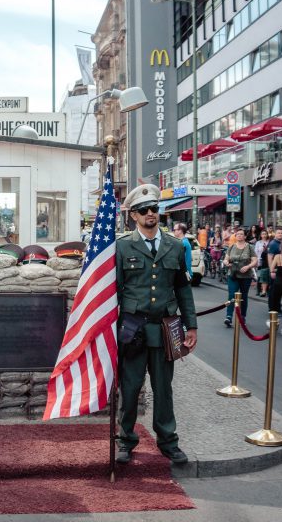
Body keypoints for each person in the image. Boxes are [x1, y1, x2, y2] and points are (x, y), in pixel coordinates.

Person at [113, 185, 197, 466]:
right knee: (131, 387)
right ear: (133, 216)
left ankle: (168, 441)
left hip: (165, 328)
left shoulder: (175, 245)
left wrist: (192, 327)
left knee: (164, 388)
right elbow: (114, 289)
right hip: (133, 330)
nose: (151, 214)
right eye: (144, 210)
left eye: (154, 209)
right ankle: (125, 440)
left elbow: (183, 290)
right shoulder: (123, 246)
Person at [223, 228, 257, 327]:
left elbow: (255, 261)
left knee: (243, 296)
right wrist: (226, 263)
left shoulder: (250, 247)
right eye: (237, 234)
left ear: (245, 236)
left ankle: (243, 316)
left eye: (241, 234)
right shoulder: (232, 247)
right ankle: (228, 316)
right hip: (233, 274)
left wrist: (248, 266)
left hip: (246, 276)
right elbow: (226, 259)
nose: (239, 236)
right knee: (231, 295)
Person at [254, 230, 270, 297]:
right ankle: (258, 290)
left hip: (268, 260)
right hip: (260, 260)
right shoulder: (258, 243)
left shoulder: (269, 242)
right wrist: (256, 260)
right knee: (260, 275)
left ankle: (266, 290)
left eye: (265, 234)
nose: (264, 235)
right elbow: (256, 252)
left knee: (267, 275)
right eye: (263, 234)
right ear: (261, 235)